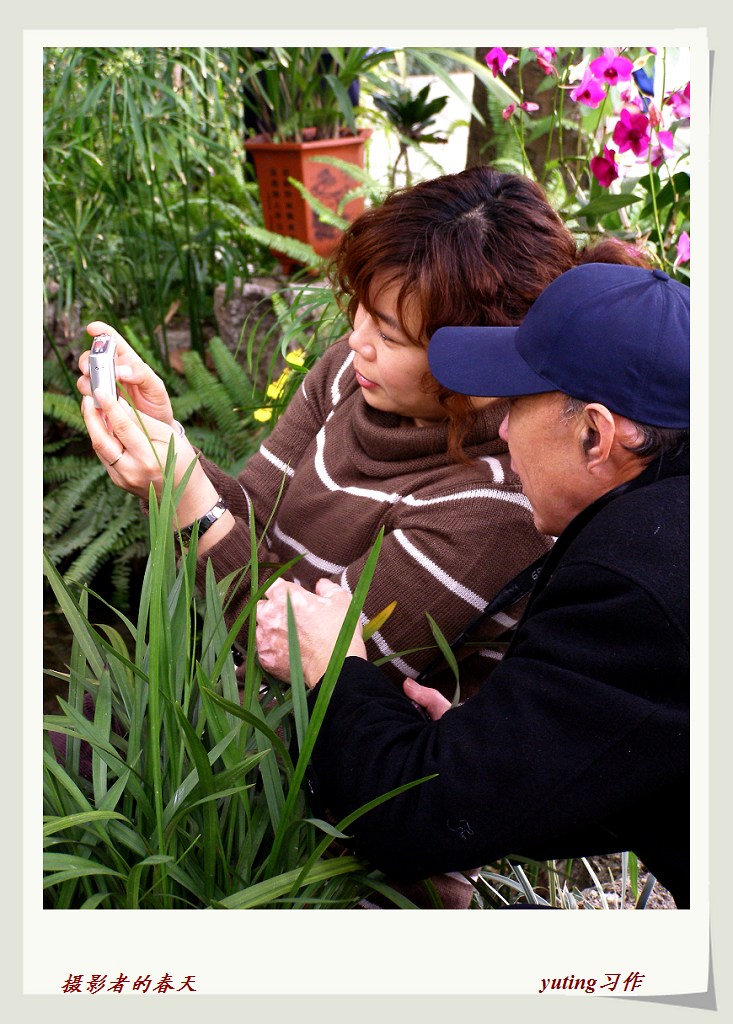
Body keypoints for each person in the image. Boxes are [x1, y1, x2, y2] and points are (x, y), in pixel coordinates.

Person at [78, 168, 649, 702]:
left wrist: (185, 496)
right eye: (362, 310)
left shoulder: (495, 505)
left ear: (478, 353)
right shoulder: (351, 378)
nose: (357, 340)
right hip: (221, 688)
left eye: (391, 334)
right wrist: (168, 445)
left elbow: (301, 677)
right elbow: (249, 513)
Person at [254, 262, 691, 909]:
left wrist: (331, 663)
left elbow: (412, 817)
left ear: (595, 434)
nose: (504, 430)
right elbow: (637, 757)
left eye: (516, 405)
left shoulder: (630, 584)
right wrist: (473, 753)